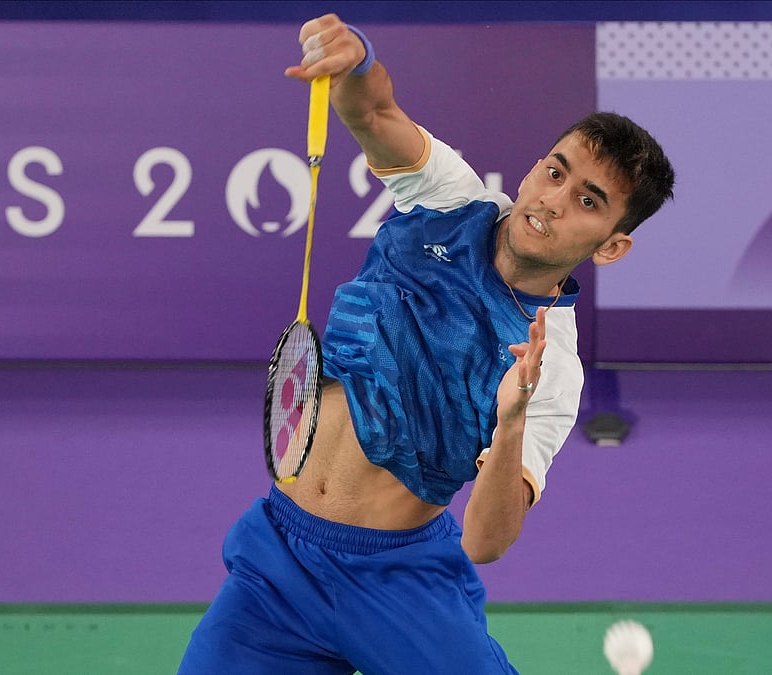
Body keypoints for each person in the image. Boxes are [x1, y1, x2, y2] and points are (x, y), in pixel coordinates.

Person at [179, 14, 675, 675]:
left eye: (587, 200)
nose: (554, 201)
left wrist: (511, 419)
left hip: (397, 580)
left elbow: (486, 539)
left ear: (612, 245)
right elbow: (374, 108)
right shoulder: (449, 200)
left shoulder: (550, 363)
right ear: (534, 168)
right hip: (279, 558)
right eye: (555, 172)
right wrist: (357, 59)